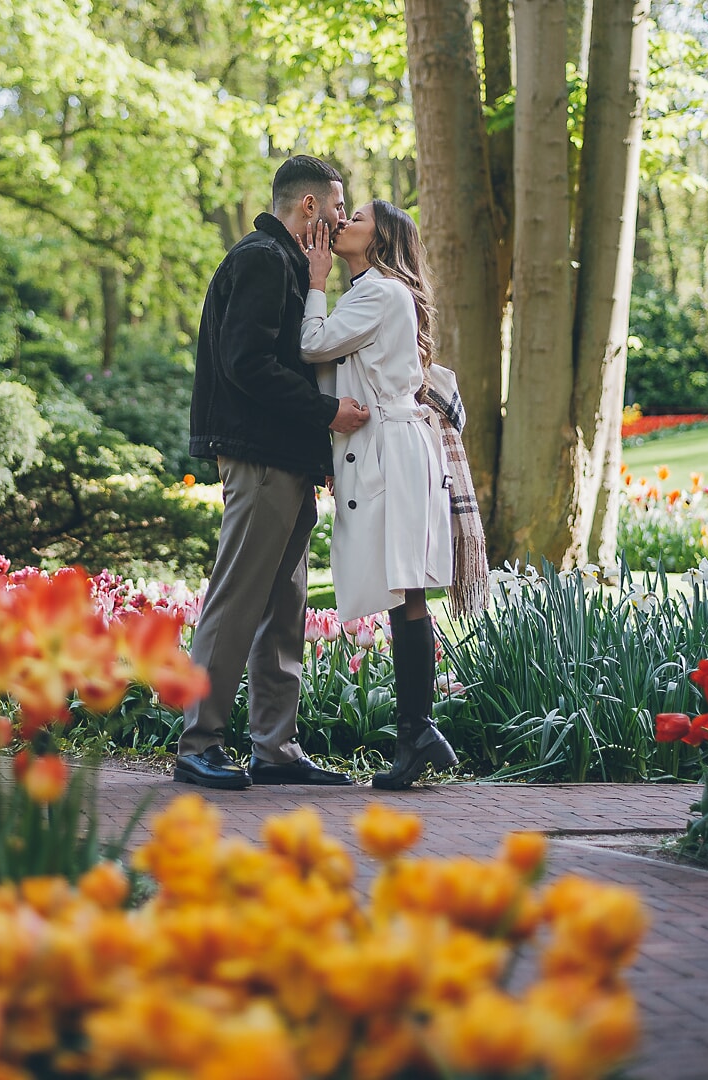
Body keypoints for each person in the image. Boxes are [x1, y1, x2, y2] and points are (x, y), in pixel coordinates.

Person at [175, 155, 372, 790]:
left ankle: (274, 748)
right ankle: (199, 742)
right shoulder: (261, 258)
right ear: (308, 207)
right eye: (338, 205)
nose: (343, 217)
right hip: (258, 456)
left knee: (283, 608)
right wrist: (325, 413)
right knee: (238, 599)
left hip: (288, 458)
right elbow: (246, 364)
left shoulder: (293, 266)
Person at [297, 201, 458, 790]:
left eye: (356, 216)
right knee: (403, 588)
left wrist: (314, 284)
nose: (343, 223)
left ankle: (416, 732)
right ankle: (419, 731)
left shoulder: (379, 292)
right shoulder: (377, 290)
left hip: (393, 448)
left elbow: (313, 344)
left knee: (403, 586)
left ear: (382, 235)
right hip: (396, 446)